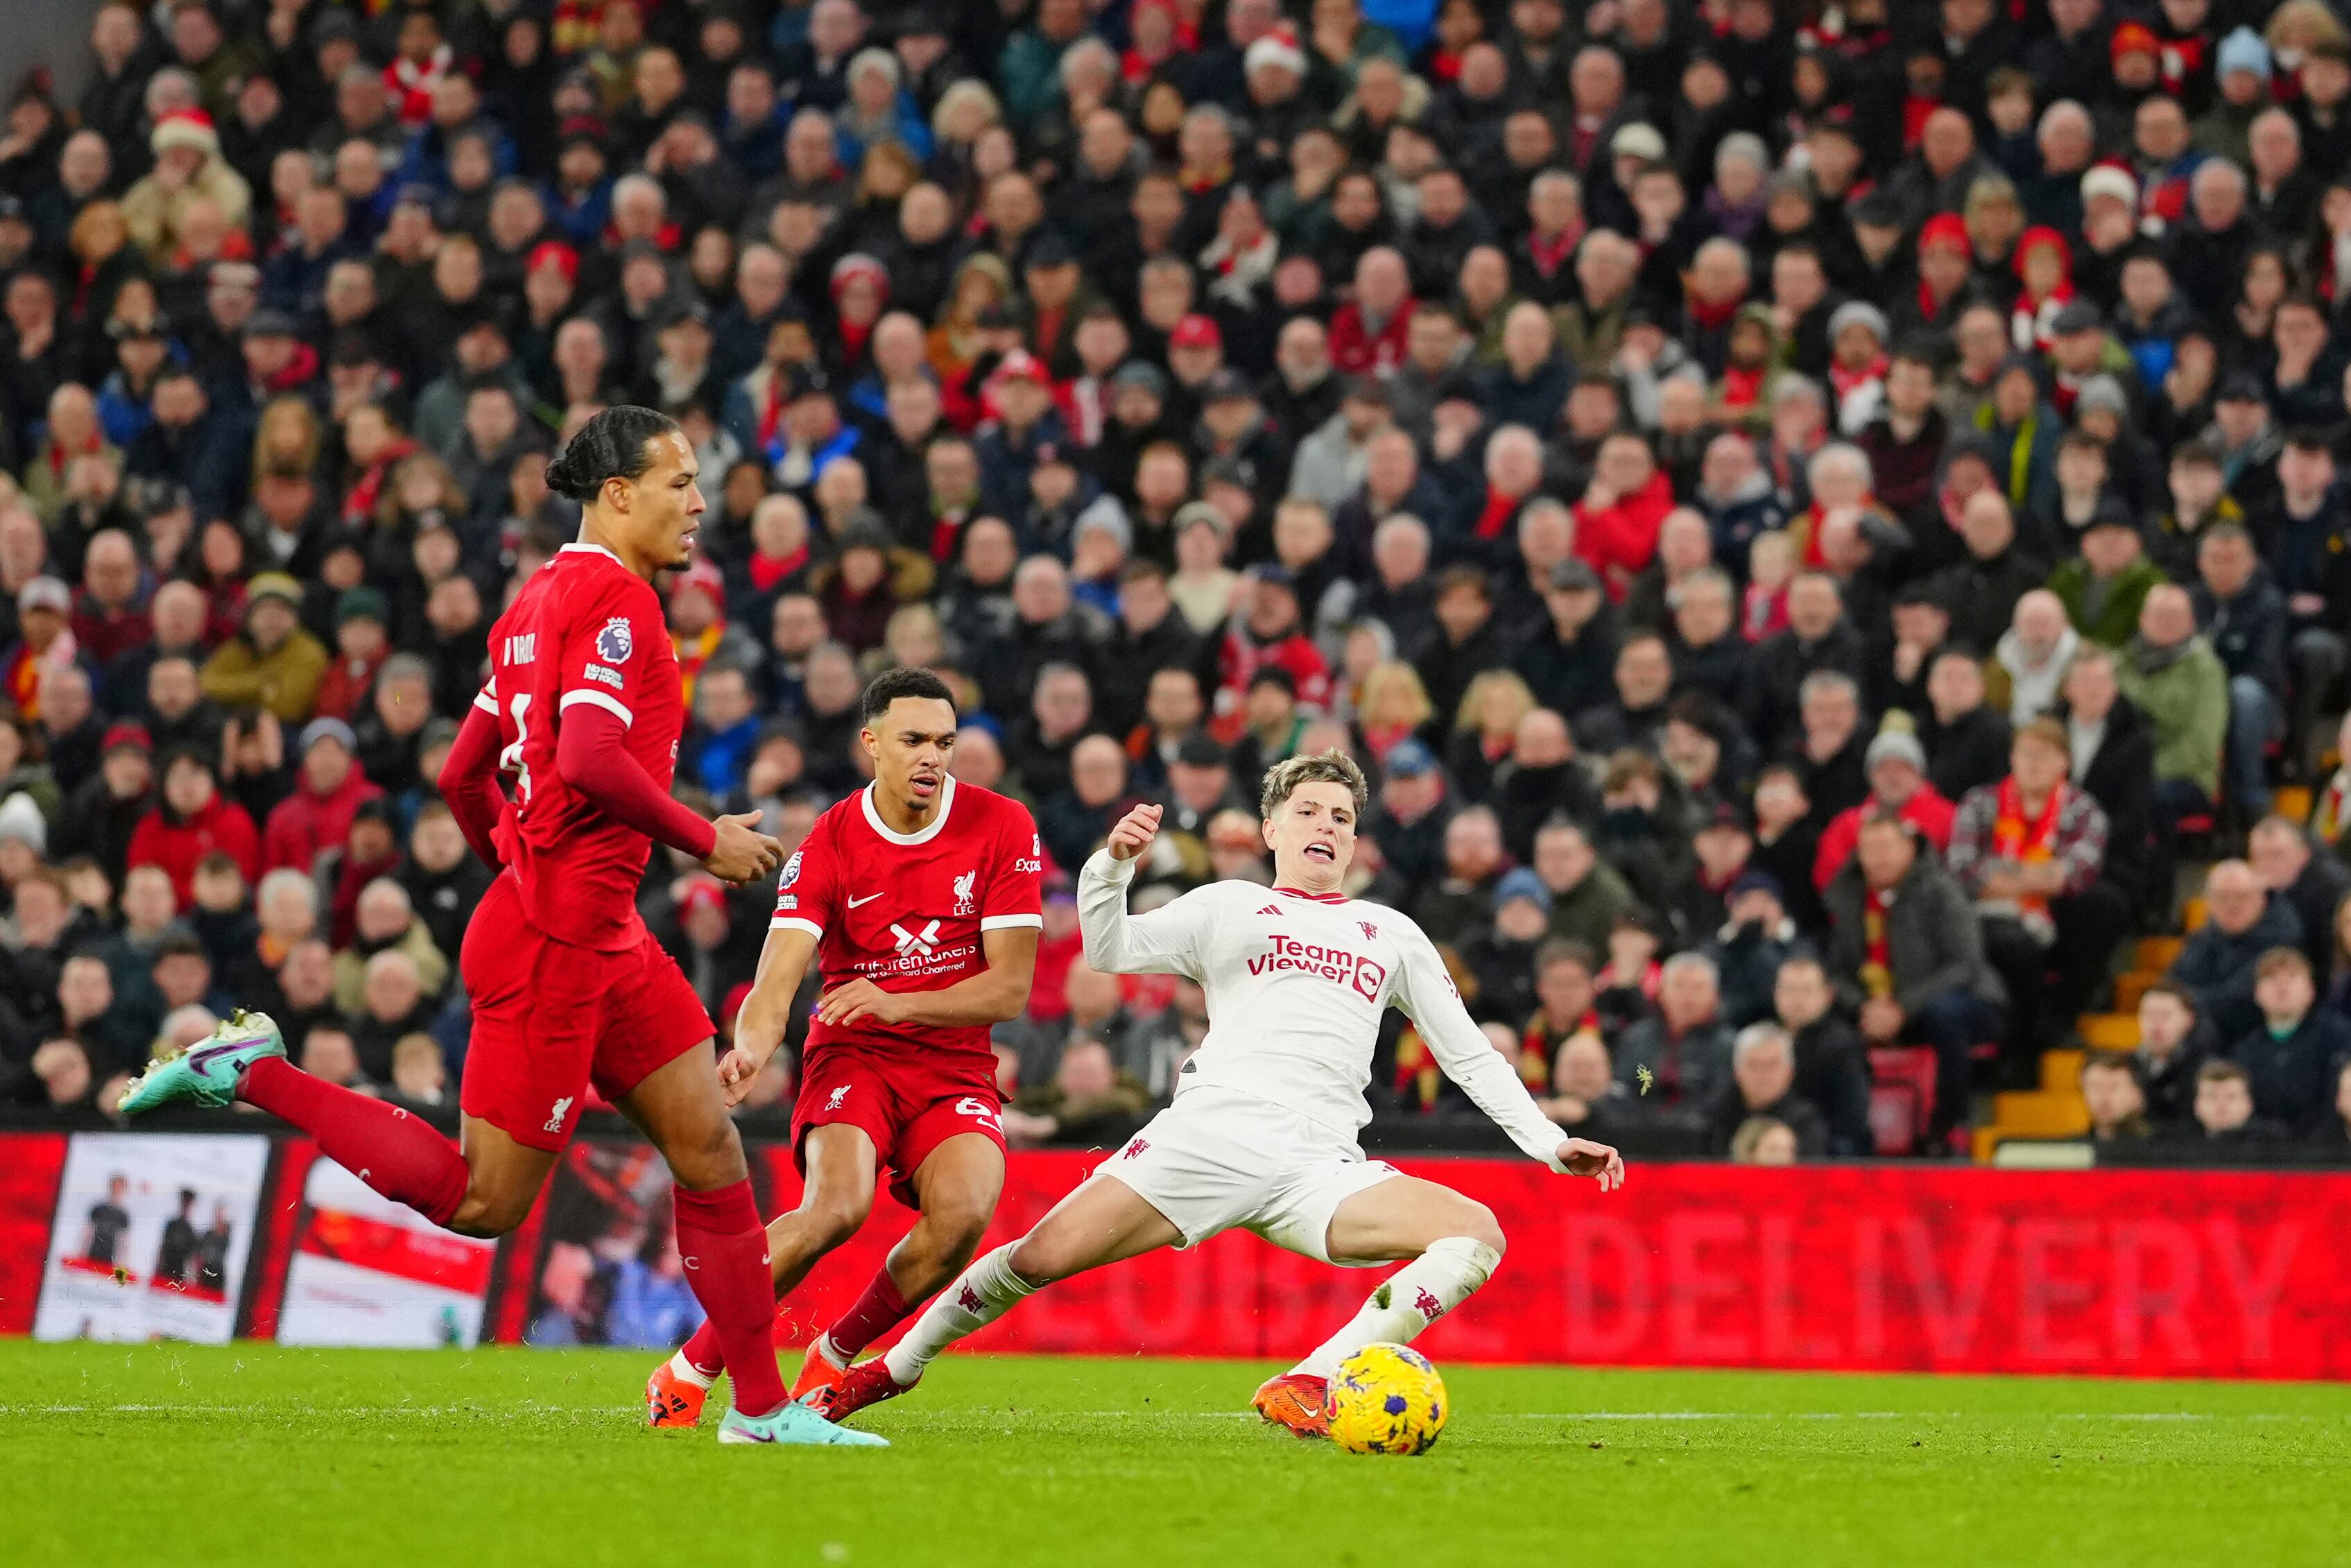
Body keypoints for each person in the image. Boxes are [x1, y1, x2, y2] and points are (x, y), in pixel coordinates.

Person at [117, 408, 860, 1447]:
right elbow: (595, 757)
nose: (698, 504)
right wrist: (703, 841)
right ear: (617, 494)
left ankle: (761, 1412)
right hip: (557, 941)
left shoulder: (533, 604)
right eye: (679, 482)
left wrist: (516, 861)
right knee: (483, 1203)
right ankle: (253, 1072)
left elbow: (465, 771)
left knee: (710, 1153)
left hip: (594, 931)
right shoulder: (616, 601)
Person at [801, 750, 1622, 1435]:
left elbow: (1469, 1052)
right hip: (1208, 1137)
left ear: (1357, 839)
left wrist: (1549, 1142)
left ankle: (1311, 1378)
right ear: (1270, 829)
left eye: (1341, 815)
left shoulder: (1390, 931)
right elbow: (1110, 947)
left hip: (1321, 1164)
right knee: (1033, 1260)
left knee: (1475, 1233)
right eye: (1308, 811)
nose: (1325, 826)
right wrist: (1110, 866)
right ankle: (891, 1369)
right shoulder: (1231, 907)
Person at [647, 666, 1042, 1421]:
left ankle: (833, 1354)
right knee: (836, 1206)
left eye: (945, 742)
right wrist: (752, 1048)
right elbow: (777, 979)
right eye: (915, 739)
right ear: (872, 744)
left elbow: (1009, 988)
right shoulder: (829, 842)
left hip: (953, 1059)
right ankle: (691, 1365)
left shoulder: (1002, 825)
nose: (933, 756)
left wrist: (897, 1001)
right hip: (853, 1054)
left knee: (964, 1213)